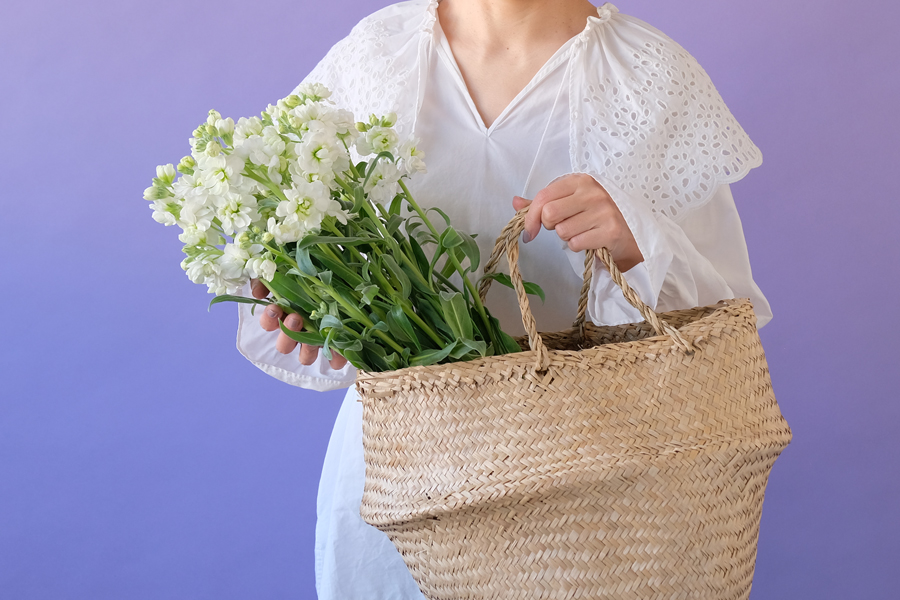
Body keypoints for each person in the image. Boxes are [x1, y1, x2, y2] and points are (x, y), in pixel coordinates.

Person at [235, 1, 772, 597]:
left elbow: (723, 320)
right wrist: (303, 295)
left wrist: (636, 242)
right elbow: (285, 224)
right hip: (403, 478)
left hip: (591, 489)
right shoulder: (375, 53)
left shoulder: (648, 76)